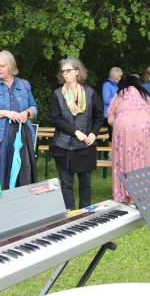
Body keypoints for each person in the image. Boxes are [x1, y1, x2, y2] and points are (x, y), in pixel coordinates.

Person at [0, 50, 38, 193]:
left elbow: (34, 108)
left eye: (1, 66)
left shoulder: (24, 84)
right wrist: (5, 113)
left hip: (20, 138)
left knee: (22, 177)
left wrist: (27, 113)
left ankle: (18, 211)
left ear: (10, 66)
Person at [49, 58, 104, 210]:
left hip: (85, 146)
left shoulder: (90, 93)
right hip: (63, 146)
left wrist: (94, 133)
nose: (65, 74)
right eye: (63, 71)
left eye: (69, 70)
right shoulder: (57, 94)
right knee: (66, 184)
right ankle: (70, 214)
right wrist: (75, 132)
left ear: (77, 72)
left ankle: (85, 212)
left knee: (85, 183)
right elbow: (56, 119)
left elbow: (99, 116)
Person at [108, 75, 150, 203]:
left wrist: (120, 123)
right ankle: (148, 192)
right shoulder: (145, 94)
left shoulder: (119, 94)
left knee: (125, 159)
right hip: (146, 126)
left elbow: (110, 117)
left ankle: (127, 195)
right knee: (147, 158)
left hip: (124, 128)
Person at [102, 67, 122, 138]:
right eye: (119, 76)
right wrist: (119, 99)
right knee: (112, 137)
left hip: (116, 115)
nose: (120, 78)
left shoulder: (115, 85)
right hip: (109, 116)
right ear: (114, 75)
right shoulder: (107, 85)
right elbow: (106, 100)